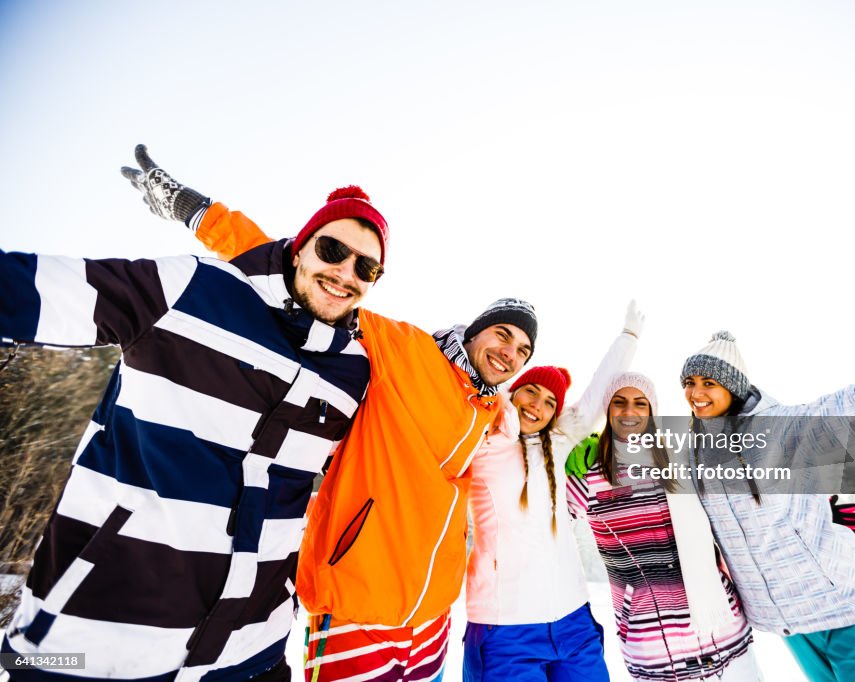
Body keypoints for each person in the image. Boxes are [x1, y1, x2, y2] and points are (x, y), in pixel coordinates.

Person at [119, 145, 538, 682]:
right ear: (477, 329)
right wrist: (196, 211)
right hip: (355, 610)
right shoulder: (406, 351)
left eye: (523, 351)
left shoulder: (488, 411)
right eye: (503, 334)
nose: (510, 352)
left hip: (431, 620)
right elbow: (311, 277)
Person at [1, 167, 390, 679]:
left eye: (367, 268)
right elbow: (34, 291)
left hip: (251, 652)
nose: (346, 274)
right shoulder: (193, 289)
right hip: (92, 641)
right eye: (333, 250)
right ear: (298, 247)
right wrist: (195, 210)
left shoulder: (353, 371)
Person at [675, 245, 855, 682]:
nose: (695, 392)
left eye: (709, 382)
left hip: (852, 610)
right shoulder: (690, 453)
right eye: (689, 382)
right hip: (792, 626)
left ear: (735, 388)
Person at [462, 301, 643, 681]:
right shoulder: (485, 438)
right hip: (504, 629)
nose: (537, 406)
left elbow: (597, 392)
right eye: (531, 392)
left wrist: (629, 337)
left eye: (549, 403)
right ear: (513, 391)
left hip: (573, 619)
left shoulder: (557, 442)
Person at [566, 373, 759, 681]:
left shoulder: (684, 459)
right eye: (620, 402)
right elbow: (542, 523)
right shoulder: (589, 473)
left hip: (725, 634)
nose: (629, 412)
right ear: (607, 409)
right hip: (654, 648)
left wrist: (822, 509)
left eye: (640, 404)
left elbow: (743, 502)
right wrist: (561, 449)